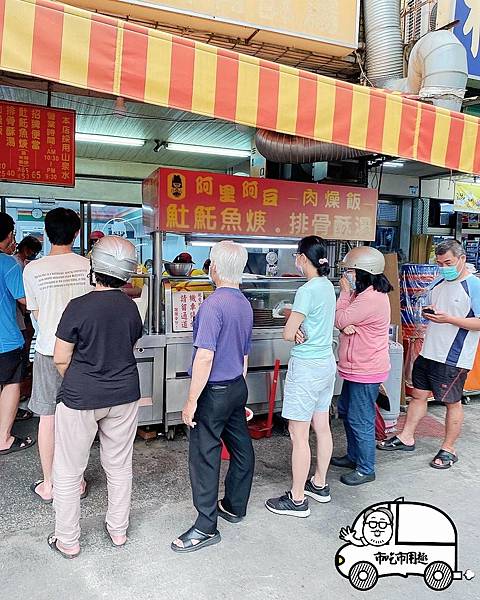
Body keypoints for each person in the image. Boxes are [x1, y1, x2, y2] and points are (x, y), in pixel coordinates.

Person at [48, 236, 143, 559]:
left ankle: (68, 540)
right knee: (118, 465)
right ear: (127, 274)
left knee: (68, 470)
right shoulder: (131, 307)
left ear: (94, 266)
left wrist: (80, 381)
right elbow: (126, 347)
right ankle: (118, 530)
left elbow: (61, 358)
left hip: (81, 398)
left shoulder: (78, 307)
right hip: (125, 395)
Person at [172, 241, 254, 553]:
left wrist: (191, 400)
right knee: (241, 448)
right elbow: (245, 355)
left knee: (204, 457)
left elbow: (205, 356)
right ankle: (234, 505)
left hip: (215, 391)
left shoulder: (213, 305)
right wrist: (240, 394)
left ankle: (206, 527)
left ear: (214, 268)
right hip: (236, 386)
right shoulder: (243, 303)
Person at [379, 239, 480, 469]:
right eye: (440, 262)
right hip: (429, 351)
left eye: (448, 262)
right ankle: (406, 436)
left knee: (452, 402)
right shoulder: (439, 281)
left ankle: (448, 449)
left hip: (453, 357)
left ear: (462, 259)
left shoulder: (474, 286)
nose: (444, 266)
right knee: (418, 395)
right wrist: (431, 314)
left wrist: (449, 319)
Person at [24, 208, 92, 503]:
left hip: (49, 350)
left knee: (48, 418)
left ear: (46, 233)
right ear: (76, 233)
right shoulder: (87, 265)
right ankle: (75, 482)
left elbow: (36, 313)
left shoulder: (32, 269)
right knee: (79, 418)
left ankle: (50, 484)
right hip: (83, 351)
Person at [266, 236, 336, 517]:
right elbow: (313, 321)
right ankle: (319, 484)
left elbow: (287, 333)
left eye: (296, 255)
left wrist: (291, 323)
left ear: (303, 259)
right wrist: (295, 320)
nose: (295, 259)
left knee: (298, 434)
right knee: (322, 425)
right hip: (326, 364)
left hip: (306, 368)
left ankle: (297, 499)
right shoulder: (328, 286)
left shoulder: (307, 290)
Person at [332, 246, 392, 486]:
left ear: (363, 272)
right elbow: (344, 322)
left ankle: (366, 468)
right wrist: (344, 323)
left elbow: (341, 318)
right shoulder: (365, 293)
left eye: (350, 271)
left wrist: (344, 295)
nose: (347, 275)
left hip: (365, 370)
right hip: (357, 367)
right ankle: (354, 456)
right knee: (347, 411)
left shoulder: (370, 298)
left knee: (361, 418)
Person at [0, 213, 35, 455]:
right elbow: (25, 299)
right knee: (12, 384)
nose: (13, 239)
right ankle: (3, 439)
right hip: (5, 338)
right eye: (12, 234)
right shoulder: (8, 263)